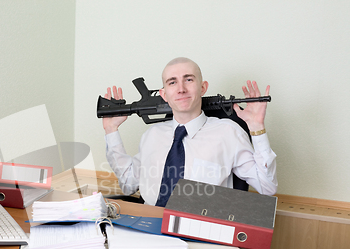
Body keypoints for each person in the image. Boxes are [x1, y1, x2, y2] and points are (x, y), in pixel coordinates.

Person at [103, 57, 277, 206]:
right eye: (172, 82)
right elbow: (128, 185)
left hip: (203, 232)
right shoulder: (152, 135)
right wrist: (111, 130)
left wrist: (256, 127)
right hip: (150, 226)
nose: (181, 89)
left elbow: (267, 187)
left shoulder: (228, 132)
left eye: (188, 79)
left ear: (202, 87)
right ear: (164, 94)